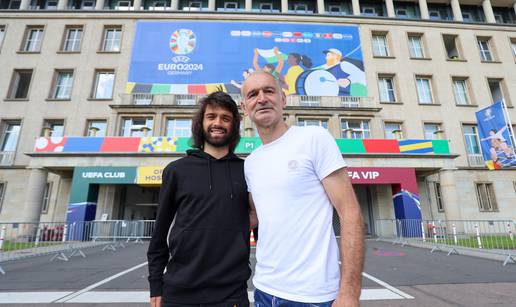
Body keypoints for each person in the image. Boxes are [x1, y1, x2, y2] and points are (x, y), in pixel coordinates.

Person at [240, 71, 365, 307]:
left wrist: (349, 293)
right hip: (264, 291)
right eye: (253, 94)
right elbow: (255, 216)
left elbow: (350, 213)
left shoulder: (314, 138)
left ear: (283, 99)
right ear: (245, 108)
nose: (262, 98)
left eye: (269, 90)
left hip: (313, 297)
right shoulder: (250, 163)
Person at [147, 91, 253, 307]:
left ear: (234, 126)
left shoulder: (248, 171)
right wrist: (155, 284)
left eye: (226, 118)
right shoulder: (176, 171)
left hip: (232, 293)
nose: (218, 123)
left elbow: (262, 228)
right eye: (211, 116)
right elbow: (159, 233)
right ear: (200, 123)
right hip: (180, 292)